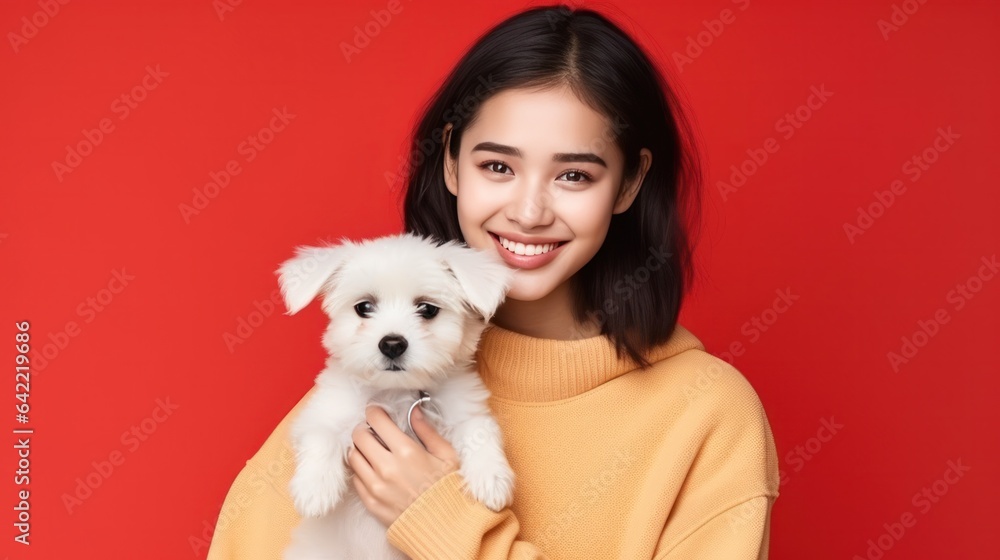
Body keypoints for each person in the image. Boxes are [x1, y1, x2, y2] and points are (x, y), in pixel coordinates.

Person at [205, 4, 780, 559]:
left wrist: (448, 528)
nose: (529, 212)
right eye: (498, 166)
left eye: (574, 175)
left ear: (629, 185)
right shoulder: (373, 386)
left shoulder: (705, 416)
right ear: (451, 162)